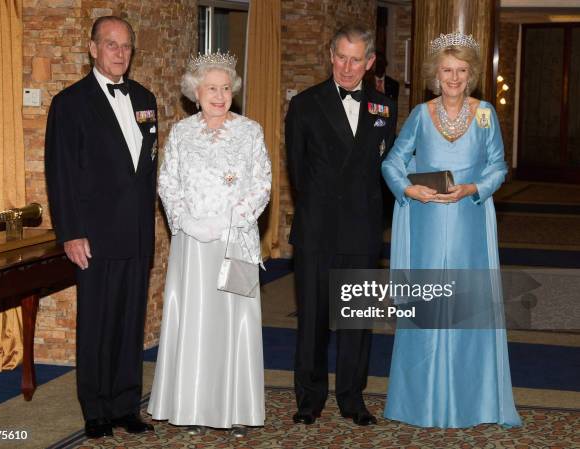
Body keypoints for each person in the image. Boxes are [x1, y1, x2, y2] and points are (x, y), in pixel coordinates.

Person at [381, 31, 522, 428]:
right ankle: (420, 401)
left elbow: (498, 165)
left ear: (471, 73)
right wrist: (409, 188)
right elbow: (392, 161)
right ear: (435, 74)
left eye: (461, 70)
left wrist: (473, 188)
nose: (454, 78)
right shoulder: (421, 115)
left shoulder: (484, 114)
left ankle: (471, 401)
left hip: (468, 225)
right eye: (447, 70)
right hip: (426, 223)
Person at [147, 51, 271, 438]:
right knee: (196, 322)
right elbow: (167, 183)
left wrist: (229, 220)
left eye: (224, 88)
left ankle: (235, 408)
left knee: (234, 323)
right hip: (193, 243)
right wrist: (187, 222)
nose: (219, 96)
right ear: (194, 93)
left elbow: (262, 183)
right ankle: (193, 404)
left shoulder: (251, 130)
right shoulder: (182, 133)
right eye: (210, 88)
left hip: (236, 240)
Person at [45, 16, 157, 439]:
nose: (120, 53)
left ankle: (126, 405)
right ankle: (95, 409)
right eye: (111, 45)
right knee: (96, 324)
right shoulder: (69, 102)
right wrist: (71, 232)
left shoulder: (146, 99)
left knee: (130, 324)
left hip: (137, 233)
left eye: (127, 45)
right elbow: (61, 174)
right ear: (92, 48)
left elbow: (148, 170)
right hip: (91, 235)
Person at [285, 24, 397, 426]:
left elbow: (387, 169)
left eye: (356, 59)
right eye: (341, 57)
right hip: (317, 228)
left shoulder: (385, 107)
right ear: (330, 55)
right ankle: (308, 399)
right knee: (313, 319)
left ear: (369, 63)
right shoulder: (304, 104)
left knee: (356, 321)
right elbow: (297, 172)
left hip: (363, 229)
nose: (347, 67)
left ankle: (353, 399)